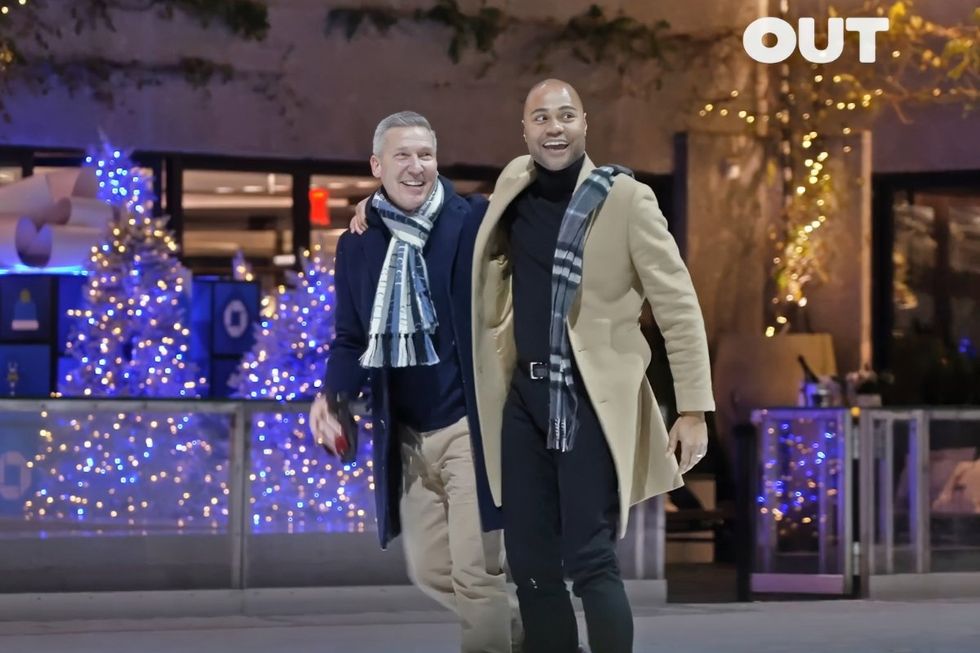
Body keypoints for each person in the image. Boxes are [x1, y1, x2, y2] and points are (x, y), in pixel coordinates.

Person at [468, 79, 715, 653]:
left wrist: (695, 409)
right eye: (541, 118)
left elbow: (678, 304)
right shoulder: (513, 187)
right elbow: (450, 221)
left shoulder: (626, 199)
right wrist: (373, 204)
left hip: (590, 403)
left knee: (589, 555)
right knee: (527, 560)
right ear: (524, 129)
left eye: (565, 116)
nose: (554, 128)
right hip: (524, 403)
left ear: (585, 125)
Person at [309, 111, 514, 652]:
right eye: (402, 155)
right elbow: (351, 337)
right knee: (430, 571)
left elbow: (529, 214)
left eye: (425, 154)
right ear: (377, 165)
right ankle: (541, 635)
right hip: (406, 437)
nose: (416, 166)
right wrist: (332, 395)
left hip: (469, 430)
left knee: (477, 576)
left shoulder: (471, 220)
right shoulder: (359, 242)